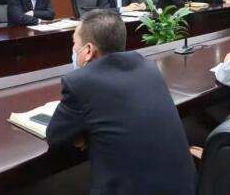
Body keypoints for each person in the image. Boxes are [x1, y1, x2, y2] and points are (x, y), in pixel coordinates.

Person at [46, 10, 195, 194]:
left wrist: (85, 133)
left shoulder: (80, 82)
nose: (73, 50)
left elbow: (55, 137)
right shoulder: (147, 67)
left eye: (74, 44)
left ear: (89, 50)